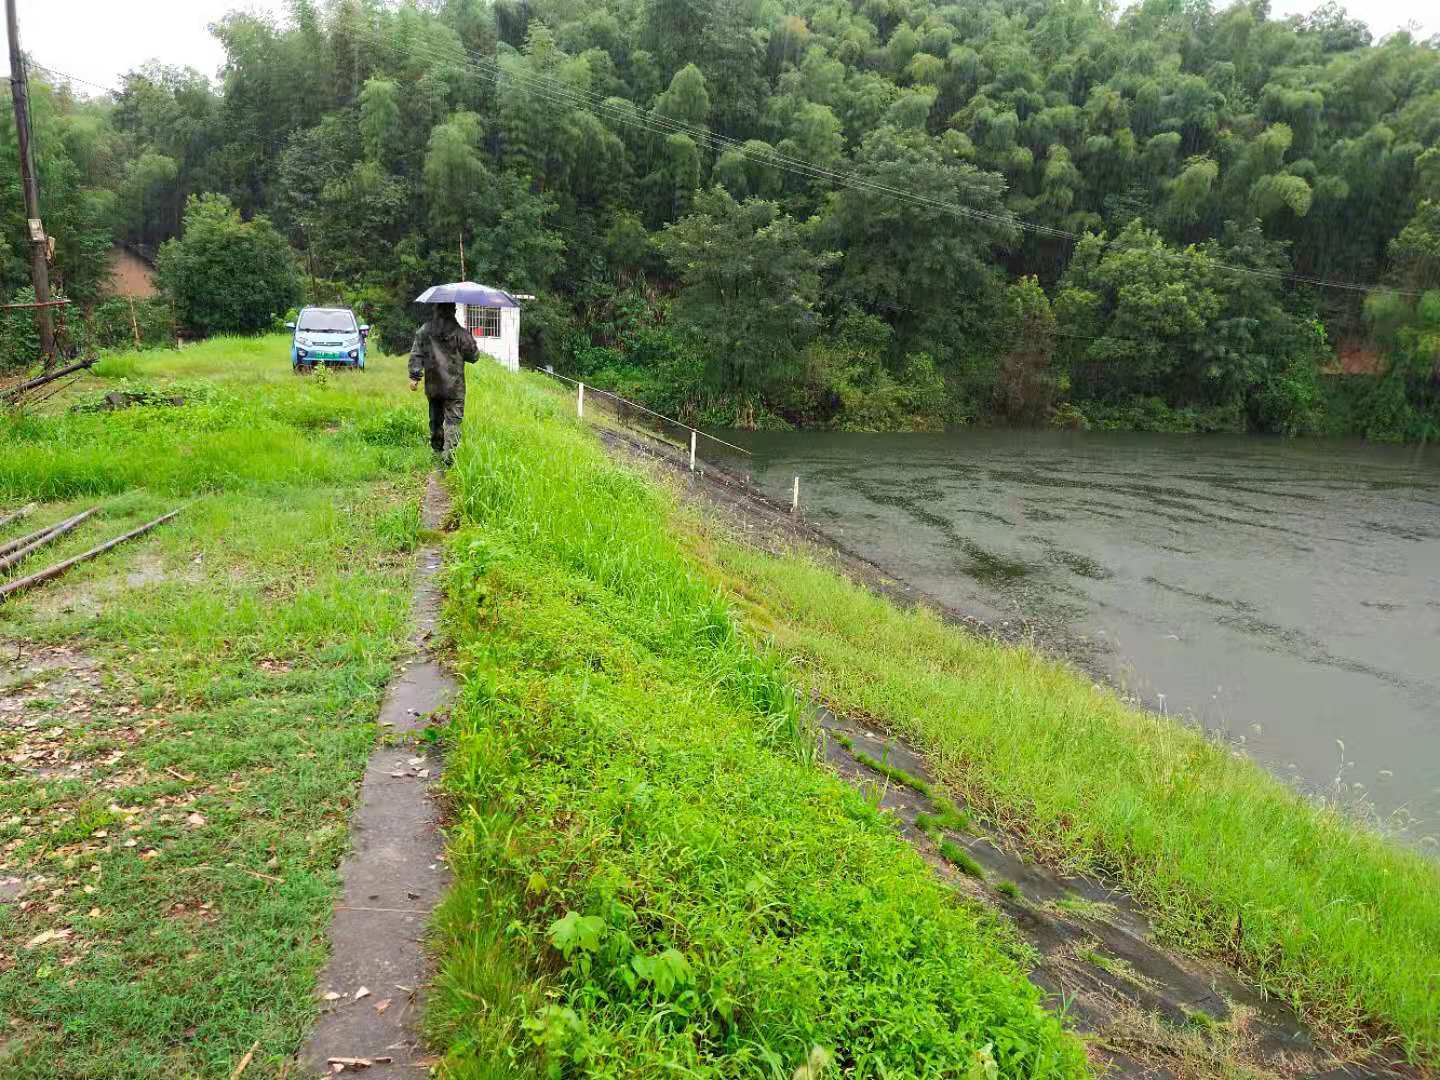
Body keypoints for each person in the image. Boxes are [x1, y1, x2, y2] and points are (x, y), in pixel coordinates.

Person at [408, 302, 479, 463]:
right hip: (455, 386)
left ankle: (437, 451)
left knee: (435, 419)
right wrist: (470, 340)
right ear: (453, 311)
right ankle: (449, 456)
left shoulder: (425, 330)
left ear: (436, 309)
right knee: (453, 421)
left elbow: (416, 354)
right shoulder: (461, 333)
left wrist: (414, 376)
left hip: (433, 385)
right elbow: (474, 356)